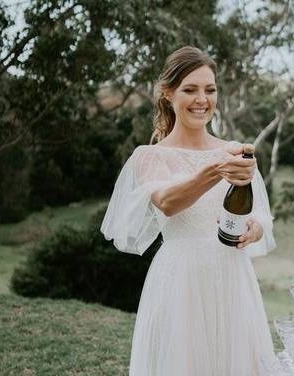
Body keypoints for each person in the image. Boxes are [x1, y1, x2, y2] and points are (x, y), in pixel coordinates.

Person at [100, 46, 281, 375]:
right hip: (180, 278)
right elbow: (168, 202)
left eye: (210, 90)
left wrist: (254, 229)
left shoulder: (233, 150)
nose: (202, 99)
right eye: (190, 89)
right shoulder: (150, 157)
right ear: (168, 94)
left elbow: (260, 217)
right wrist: (216, 170)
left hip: (232, 277)